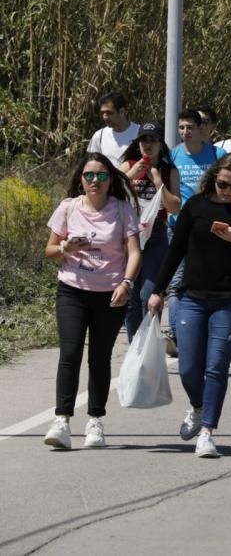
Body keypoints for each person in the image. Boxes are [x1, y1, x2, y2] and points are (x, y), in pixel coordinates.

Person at [148, 154, 231, 457]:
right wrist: (158, 290)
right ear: (213, 178)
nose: (227, 191)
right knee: (189, 367)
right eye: (222, 184)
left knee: (216, 366)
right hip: (191, 297)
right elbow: (176, 250)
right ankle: (198, 406)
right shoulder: (197, 206)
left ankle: (207, 432)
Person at [43, 153, 142, 450]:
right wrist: (65, 247)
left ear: (111, 180)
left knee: (99, 357)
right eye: (89, 176)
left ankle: (95, 421)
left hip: (110, 294)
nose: (94, 181)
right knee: (70, 354)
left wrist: (127, 283)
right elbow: (49, 251)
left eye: (101, 175)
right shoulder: (68, 208)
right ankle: (62, 421)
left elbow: (134, 252)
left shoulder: (123, 210)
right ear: (80, 180)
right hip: (72, 290)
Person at [166, 110, 226, 354]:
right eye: (181, 127)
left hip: (210, 227)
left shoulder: (216, 155)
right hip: (179, 225)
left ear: (201, 127)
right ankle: (176, 333)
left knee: (207, 279)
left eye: (189, 127)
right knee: (176, 281)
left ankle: (204, 329)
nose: (184, 132)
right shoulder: (173, 156)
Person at [119, 122, 182, 342]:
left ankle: (149, 341)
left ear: (160, 144)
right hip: (129, 235)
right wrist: (130, 175)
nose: (147, 145)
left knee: (149, 294)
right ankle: (135, 345)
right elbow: (110, 193)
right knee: (132, 296)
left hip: (156, 235)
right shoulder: (127, 165)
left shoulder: (168, 170)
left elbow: (175, 206)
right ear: (137, 144)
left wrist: (158, 183)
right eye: (143, 140)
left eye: (152, 140)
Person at [87, 92, 139, 163]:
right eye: (102, 113)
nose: (105, 117)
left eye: (109, 113)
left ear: (122, 111)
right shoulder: (99, 136)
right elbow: (92, 163)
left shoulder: (139, 132)